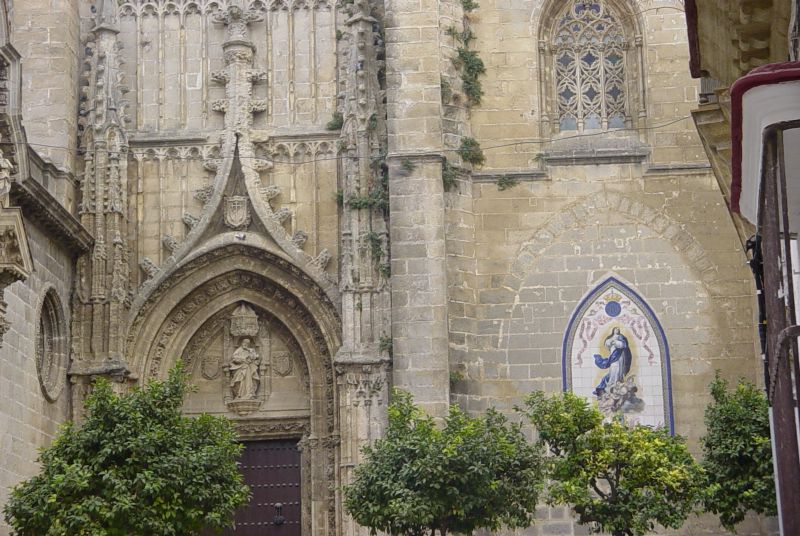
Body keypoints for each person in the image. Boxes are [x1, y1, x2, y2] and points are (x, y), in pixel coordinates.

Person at [592, 327, 632, 397]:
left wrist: (616, 342)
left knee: (618, 369)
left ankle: (616, 383)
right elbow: (606, 344)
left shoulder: (621, 337)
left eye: (618, 329)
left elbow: (624, 345)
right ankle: (612, 384)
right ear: (613, 331)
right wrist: (610, 342)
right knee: (613, 369)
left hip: (619, 356)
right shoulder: (610, 338)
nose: (617, 330)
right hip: (613, 355)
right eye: (616, 329)